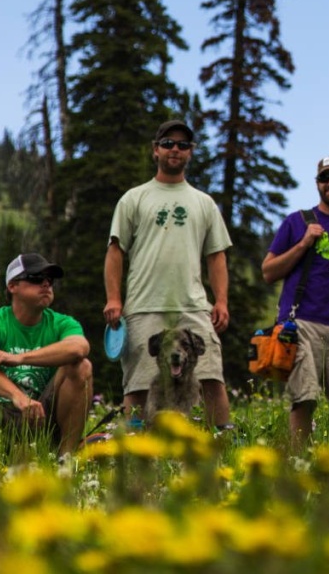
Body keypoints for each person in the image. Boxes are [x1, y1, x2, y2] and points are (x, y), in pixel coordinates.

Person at [104, 119, 234, 430]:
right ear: (155, 150)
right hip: (143, 305)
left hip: (193, 306)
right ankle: (134, 452)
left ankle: (220, 448)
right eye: (168, 143)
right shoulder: (134, 198)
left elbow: (216, 256)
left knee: (212, 378)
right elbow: (115, 251)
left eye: (183, 145)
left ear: (190, 153)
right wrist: (113, 299)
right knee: (137, 386)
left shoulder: (204, 203)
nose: (175, 149)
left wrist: (222, 301)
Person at [262, 155, 329, 444]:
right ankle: (298, 465)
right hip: (299, 325)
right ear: (317, 183)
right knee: (304, 397)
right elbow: (268, 272)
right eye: (325, 178)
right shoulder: (297, 222)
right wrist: (304, 243)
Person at [0, 253, 93, 455]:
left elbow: (78, 348)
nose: (45, 284)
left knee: (81, 366)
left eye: (49, 280)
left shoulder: (62, 323)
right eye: (36, 278)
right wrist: (17, 396)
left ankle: (65, 458)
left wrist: (19, 358)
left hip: (45, 416)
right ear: (12, 286)